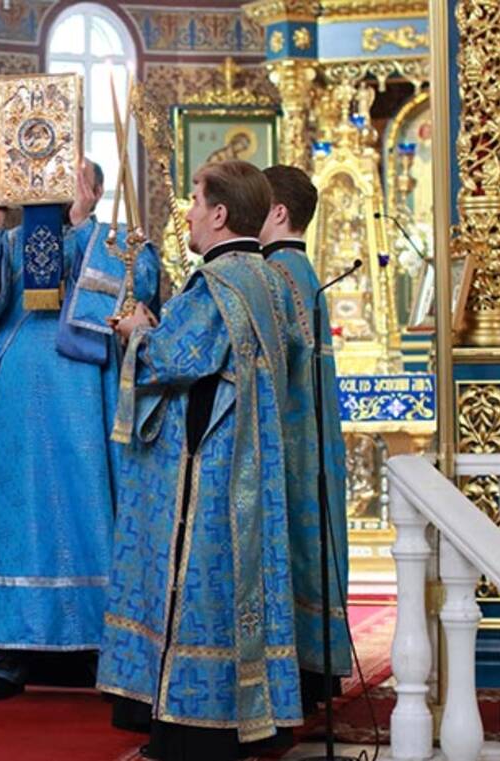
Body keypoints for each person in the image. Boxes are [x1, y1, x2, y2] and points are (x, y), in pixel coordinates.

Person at [100, 160, 301, 760]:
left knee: (200, 593)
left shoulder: (218, 283)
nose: (187, 213)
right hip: (255, 465)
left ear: (219, 213)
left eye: (194, 201)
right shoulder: (272, 280)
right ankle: (254, 716)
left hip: (211, 470)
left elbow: (172, 358)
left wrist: (136, 331)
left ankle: (195, 728)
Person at [0, 161, 162, 701]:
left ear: (95, 190)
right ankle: (7, 653)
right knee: (16, 519)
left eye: (72, 179)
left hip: (85, 399)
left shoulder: (116, 242)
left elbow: (143, 288)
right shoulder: (11, 241)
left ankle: (97, 646)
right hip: (18, 403)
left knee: (86, 509)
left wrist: (84, 227)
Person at [260, 165, 351, 713]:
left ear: (277, 212)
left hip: (289, 442)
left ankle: (298, 675)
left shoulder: (276, 274)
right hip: (309, 438)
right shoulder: (303, 270)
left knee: (293, 546)